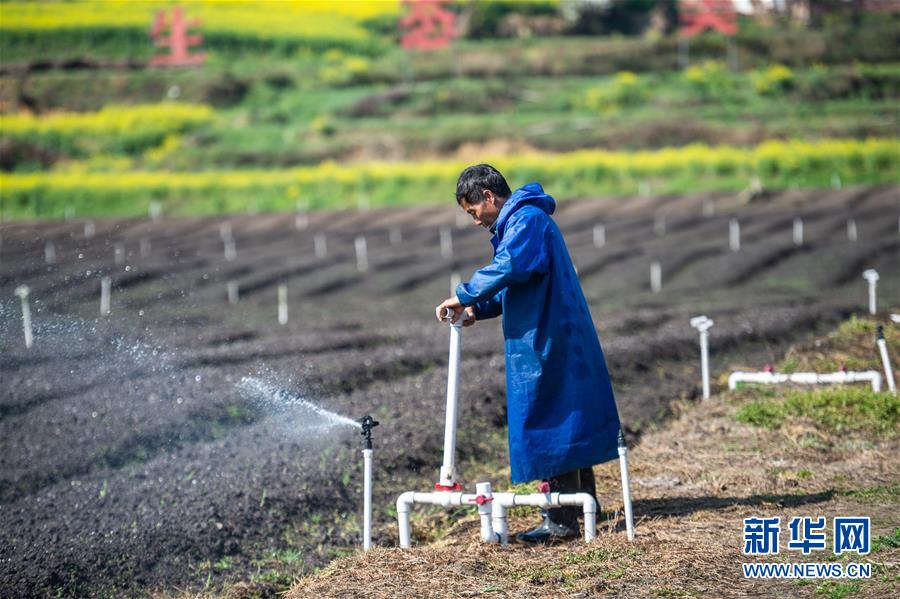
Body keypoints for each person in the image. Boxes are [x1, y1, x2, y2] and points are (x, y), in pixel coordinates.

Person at [435, 164, 621, 544]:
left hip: (548, 334)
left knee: (550, 417)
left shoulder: (526, 220)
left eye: (473, 211)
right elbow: (515, 284)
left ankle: (561, 520)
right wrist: (476, 309)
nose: (475, 220)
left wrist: (464, 294)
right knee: (565, 414)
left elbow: (510, 267)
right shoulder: (521, 222)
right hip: (549, 329)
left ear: (489, 196)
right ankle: (583, 505)